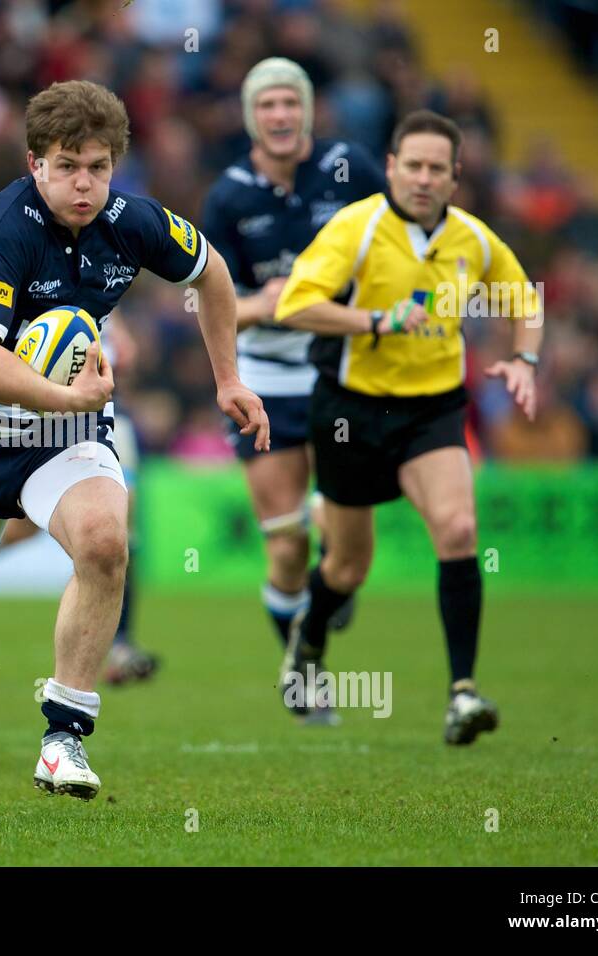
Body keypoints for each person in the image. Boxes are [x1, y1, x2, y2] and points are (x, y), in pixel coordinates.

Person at [0, 80, 268, 799]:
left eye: (98, 166)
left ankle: (63, 737)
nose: (84, 182)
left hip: (67, 430)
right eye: (67, 165)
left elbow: (213, 273)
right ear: (35, 163)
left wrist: (227, 380)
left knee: (103, 542)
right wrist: (67, 393)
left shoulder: (131, 220)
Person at [275, 109, 543, 745]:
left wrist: (526, 358)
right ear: (392, 168)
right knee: (347, 567)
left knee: (457, 527)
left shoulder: (473, 240)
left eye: (436, 169)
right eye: (412, 166)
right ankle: (307, 643)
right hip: (348, 410)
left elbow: (522, 299)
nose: (423, 179)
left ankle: (463, 694)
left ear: (455, 177)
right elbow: (294, 304)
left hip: (432, 409)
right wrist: (375, 321)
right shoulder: (358, 228)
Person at [200, 58, 387, 722]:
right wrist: (264, 304)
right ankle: (305, 680)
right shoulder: (228, 196)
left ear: (306, 110)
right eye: (267, 104)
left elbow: (392, 253)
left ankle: (333, 575)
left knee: (343, 546)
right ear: (252, 116)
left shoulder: (352, 169)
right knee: (285, 546)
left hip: (342, 369)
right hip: (267, 379)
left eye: (290, 102)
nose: (280, 115)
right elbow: (208, 304)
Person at [0, 310, 159, 685]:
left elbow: (130, 358)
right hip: (47, 425)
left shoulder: (108, 300)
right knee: (23, 530)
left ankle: (120, 643)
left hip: (105, 422)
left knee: (117, 536)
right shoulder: (45, 299)